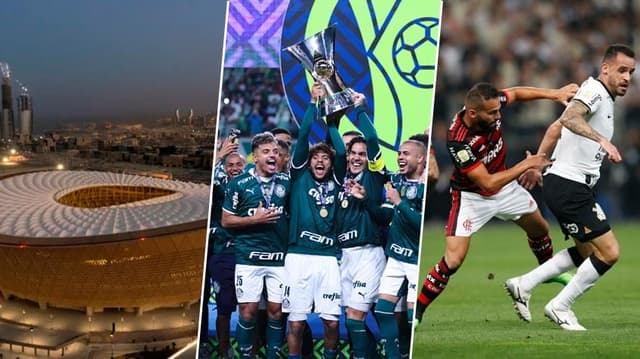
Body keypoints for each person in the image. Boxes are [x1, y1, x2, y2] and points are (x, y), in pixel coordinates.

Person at [414, 82, 579, 323]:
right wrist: (526, 165)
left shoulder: (489, 103)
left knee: (541, 228)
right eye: (492, 113)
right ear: (473, 114)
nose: (498, 115)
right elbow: (487, 183)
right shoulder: (459, 141)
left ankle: (547, 271)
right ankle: (417, 312)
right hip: (471, 197)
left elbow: (515, 93)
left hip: (506, 187)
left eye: (498, 110)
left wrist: (554, 94)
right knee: (453, 260)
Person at [505, 44, 635, 330]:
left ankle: (523, 284)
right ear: (605, 69)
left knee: (589, 251)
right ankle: (559, 306)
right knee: (610, 252)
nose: (627, 77)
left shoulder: (604, 97)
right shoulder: (595, 91)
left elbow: (555, 129)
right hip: (569, 186)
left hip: (569, 184)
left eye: (631, 72)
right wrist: (602, 140)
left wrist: (539, 161)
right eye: (622, 70)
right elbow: (568, 117)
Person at [282, 82, 346, 359]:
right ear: (308, 162)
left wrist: (332, 122)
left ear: (331, 165)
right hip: (298, 257)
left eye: (325, 158)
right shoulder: (299, 176)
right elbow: (305, 132)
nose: (320, 161)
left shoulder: (336, 179)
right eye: (315, 158)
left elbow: (341, 152)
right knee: (296, 322)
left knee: (332, 322)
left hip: (328, 258)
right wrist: (312, 103)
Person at [221, 132, 290, 358]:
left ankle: (272, 354)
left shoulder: (286, 183)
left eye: (276, 152)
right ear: (255, 157)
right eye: (267, 152)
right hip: (248, 258)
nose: (273, 155)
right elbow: (226, 220)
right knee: (248, 312)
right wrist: (255, 219)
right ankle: (246, 354)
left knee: (276, 312)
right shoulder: (238, 184)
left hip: (278, 260)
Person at [356, 139, 426, 358]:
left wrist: (400, 203)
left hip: (415, 258)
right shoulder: (393, 180)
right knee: (383, 310)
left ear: (420, 159)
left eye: (406, 154)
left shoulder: (425, 186)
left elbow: (421, 226)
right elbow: (385, 215)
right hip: (395, 256)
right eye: (399, 154)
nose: (400, 158)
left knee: (411, 315)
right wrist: (367, 199)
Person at [335, 93, 387, 359]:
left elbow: (373, 139)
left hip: (368, 252)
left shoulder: (374, 176)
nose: (356, 158)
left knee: (356, 318)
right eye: (353, 153)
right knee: (350, 318)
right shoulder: (340, 180)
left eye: (362, 154)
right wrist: (332, 118)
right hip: (346, 256)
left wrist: (360, 110)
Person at [201, 134, 245, 359]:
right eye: (231, 165)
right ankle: (223, 350)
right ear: (224, 168)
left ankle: (250, 351)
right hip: (222, 255)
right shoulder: (218, 190)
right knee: (224, 308)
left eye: (239, 164)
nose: (235, 168)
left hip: (247, 256)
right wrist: (219, 155)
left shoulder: (254, 188)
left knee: (250, 310)